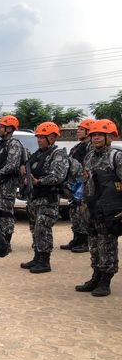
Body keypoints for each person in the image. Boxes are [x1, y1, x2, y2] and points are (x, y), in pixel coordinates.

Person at [75, 119, 122, 297]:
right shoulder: (89, 156)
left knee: (107, 245)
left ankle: (105, 280)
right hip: (92, 209)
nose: (95, 138)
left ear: (109, 136)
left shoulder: (116, 156)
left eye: (99, 135)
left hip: (110, 210)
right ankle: (96, 275)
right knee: (94, 245)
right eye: (93, 134)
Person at [19, 122, 68, 274]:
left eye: (42, 137)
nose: (38, 140)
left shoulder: (58, 154)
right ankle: (37, 257)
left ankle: (44, 261)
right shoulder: (38, 154)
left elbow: (58, 176)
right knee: (34, 229)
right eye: (38, 137)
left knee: (43, 229)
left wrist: (38, 181)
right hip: (35, 198)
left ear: (52, 138)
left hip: (48, 199)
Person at [0, 115, 25, 245]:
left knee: (5, 213)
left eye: (1, 126)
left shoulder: (13, 144)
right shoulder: (0, 144)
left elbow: (12, 165)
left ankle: (6, 241)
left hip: (7, 185)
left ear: (9, 128)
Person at [61, 118, 95, 252]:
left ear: (89, 131)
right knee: (74, 211)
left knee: (83, 212)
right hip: (75, 184)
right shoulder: (77, 147)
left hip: (84, 185)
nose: (78, 131)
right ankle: (76, 238)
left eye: (81, 129)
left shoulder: (91, 147)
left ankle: (84, 241)